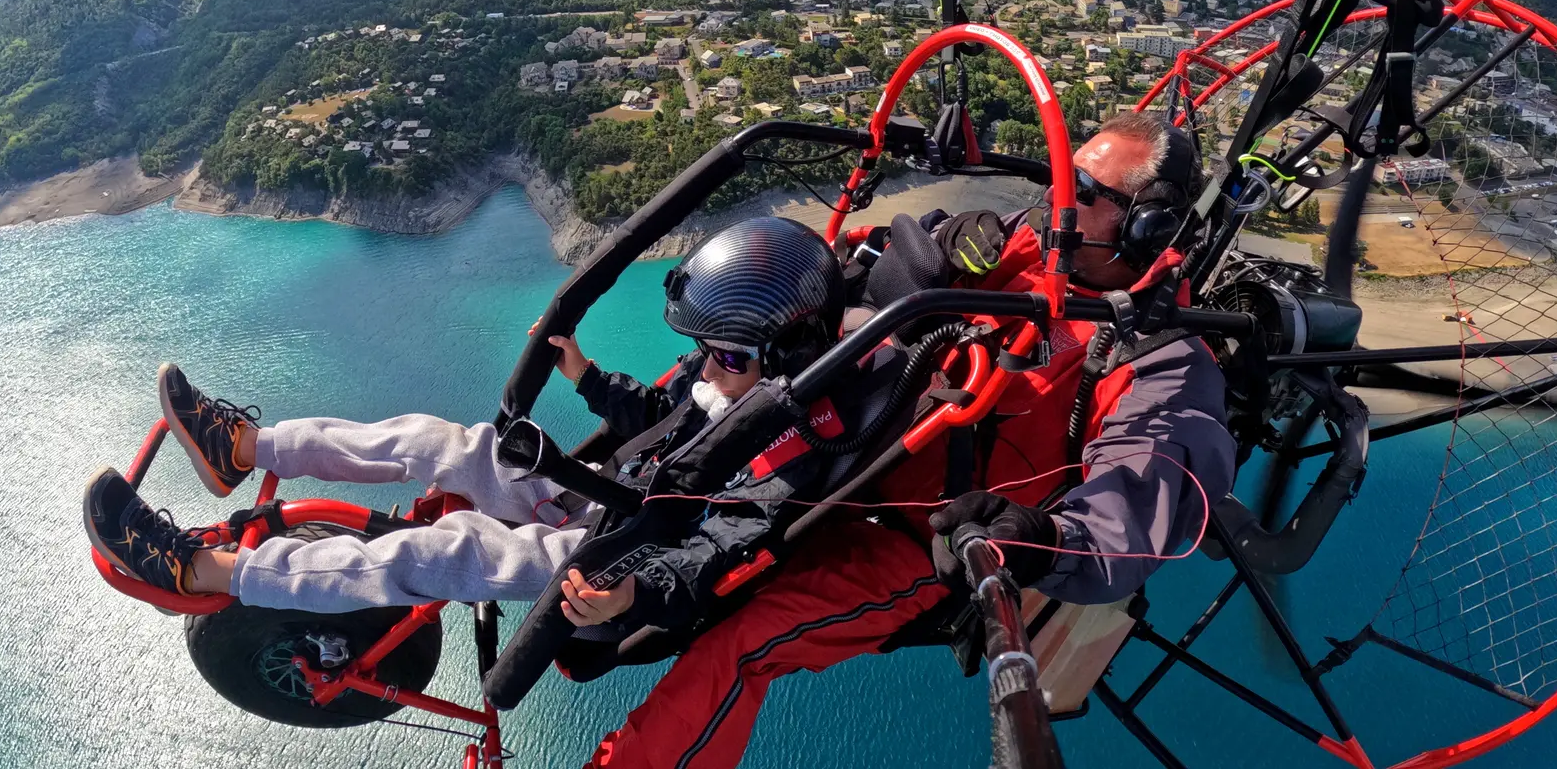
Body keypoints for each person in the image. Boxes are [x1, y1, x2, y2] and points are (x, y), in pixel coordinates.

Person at [584, 112, 1238, 768]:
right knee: (675, 492)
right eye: (1064, 178)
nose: (1060, 199)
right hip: (841, 460)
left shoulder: (1162, 366)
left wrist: (1040, 539)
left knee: (741, 643)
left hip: (916, 539)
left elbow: (1135, 516)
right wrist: (932, 241)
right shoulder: (1022, 245)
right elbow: (850, 266)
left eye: (1088, 192)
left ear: (1146, 228)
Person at [84, 216, 883, 631]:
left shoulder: (790, 451)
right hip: (599, 497)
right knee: (432, 439)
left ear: (778, 363)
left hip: (607, 556)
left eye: (725, 358)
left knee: (445, 550)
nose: (706, 368)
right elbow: (657, 418)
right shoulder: (727, 383)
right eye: (701, 351)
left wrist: (634, 591)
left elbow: (722, 550)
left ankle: (205, 572)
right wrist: (585, 375)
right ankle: (242, 447)